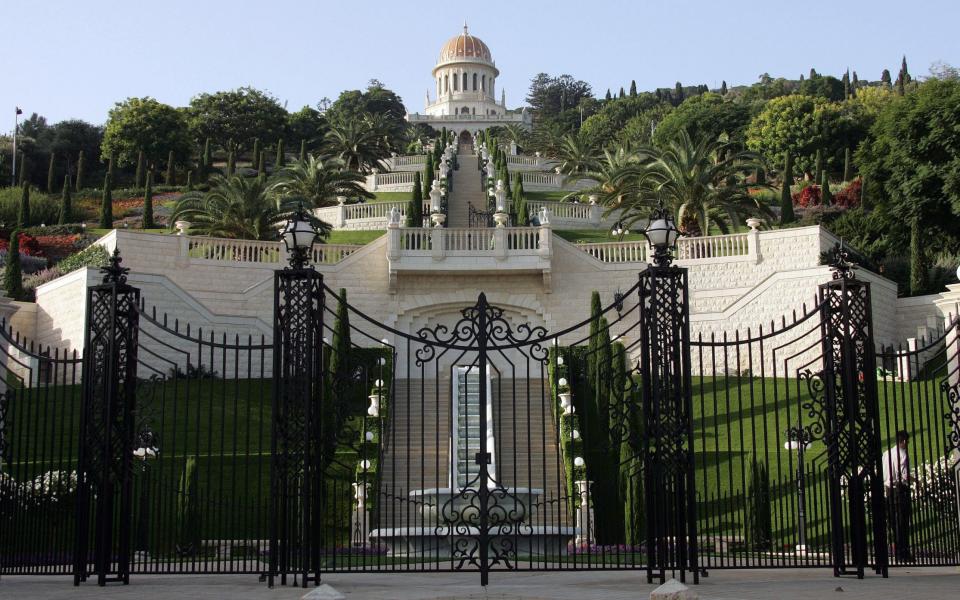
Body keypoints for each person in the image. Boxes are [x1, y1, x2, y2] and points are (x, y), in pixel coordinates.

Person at [881, 430, 913, 562]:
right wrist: (917, 481)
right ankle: (903, 553)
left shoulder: (886, 453)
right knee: (903, 522)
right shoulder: (903, 455)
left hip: (888, 490)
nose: (907, 444)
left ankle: (898, 551)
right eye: (907, 441)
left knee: (894, 523)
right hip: (900, 490)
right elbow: (904, 476)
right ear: (904, 441)